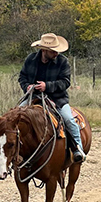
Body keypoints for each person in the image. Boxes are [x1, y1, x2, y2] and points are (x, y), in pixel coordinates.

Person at [18, 32, 86, 163]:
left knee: (68, 119)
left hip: (57, 99)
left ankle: (78, 149)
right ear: (44, 50)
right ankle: (16, 151)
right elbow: (22, 77)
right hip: (33, 97)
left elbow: (65, 82)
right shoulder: (30, 60)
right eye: (53, 51)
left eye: (57, 51)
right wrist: (27, 87)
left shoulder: (62, 62)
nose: (56, 53)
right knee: (15, 118)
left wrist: (47, 86)